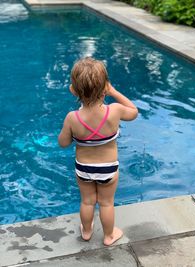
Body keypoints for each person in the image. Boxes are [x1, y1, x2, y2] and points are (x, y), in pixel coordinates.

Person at [58, 57, 138, 246]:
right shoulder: (115, 111)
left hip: (83, 168)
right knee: (106, 203)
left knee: (87, 201)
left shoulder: (72, 117)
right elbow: (133, 111)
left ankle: (86, 231)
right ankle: (109, 236)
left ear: (73, 90)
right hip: (108, 169)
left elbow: (63, 143)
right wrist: (114, 92)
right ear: (105, 89)